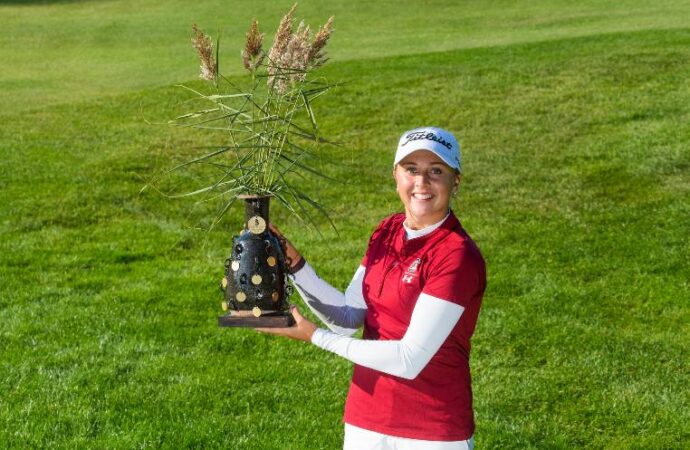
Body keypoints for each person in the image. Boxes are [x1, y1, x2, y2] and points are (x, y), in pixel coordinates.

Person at [260, 127, 486, 450]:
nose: (421, 182)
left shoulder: (457, 255)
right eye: (411, 169)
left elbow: (409, 358)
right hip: (366, 421)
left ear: (456, 180)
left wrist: (315, 337)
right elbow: (347, 317)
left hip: (434, 430)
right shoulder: (387, 231)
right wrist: (293, 262)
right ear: (396, 175)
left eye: (436, 171)